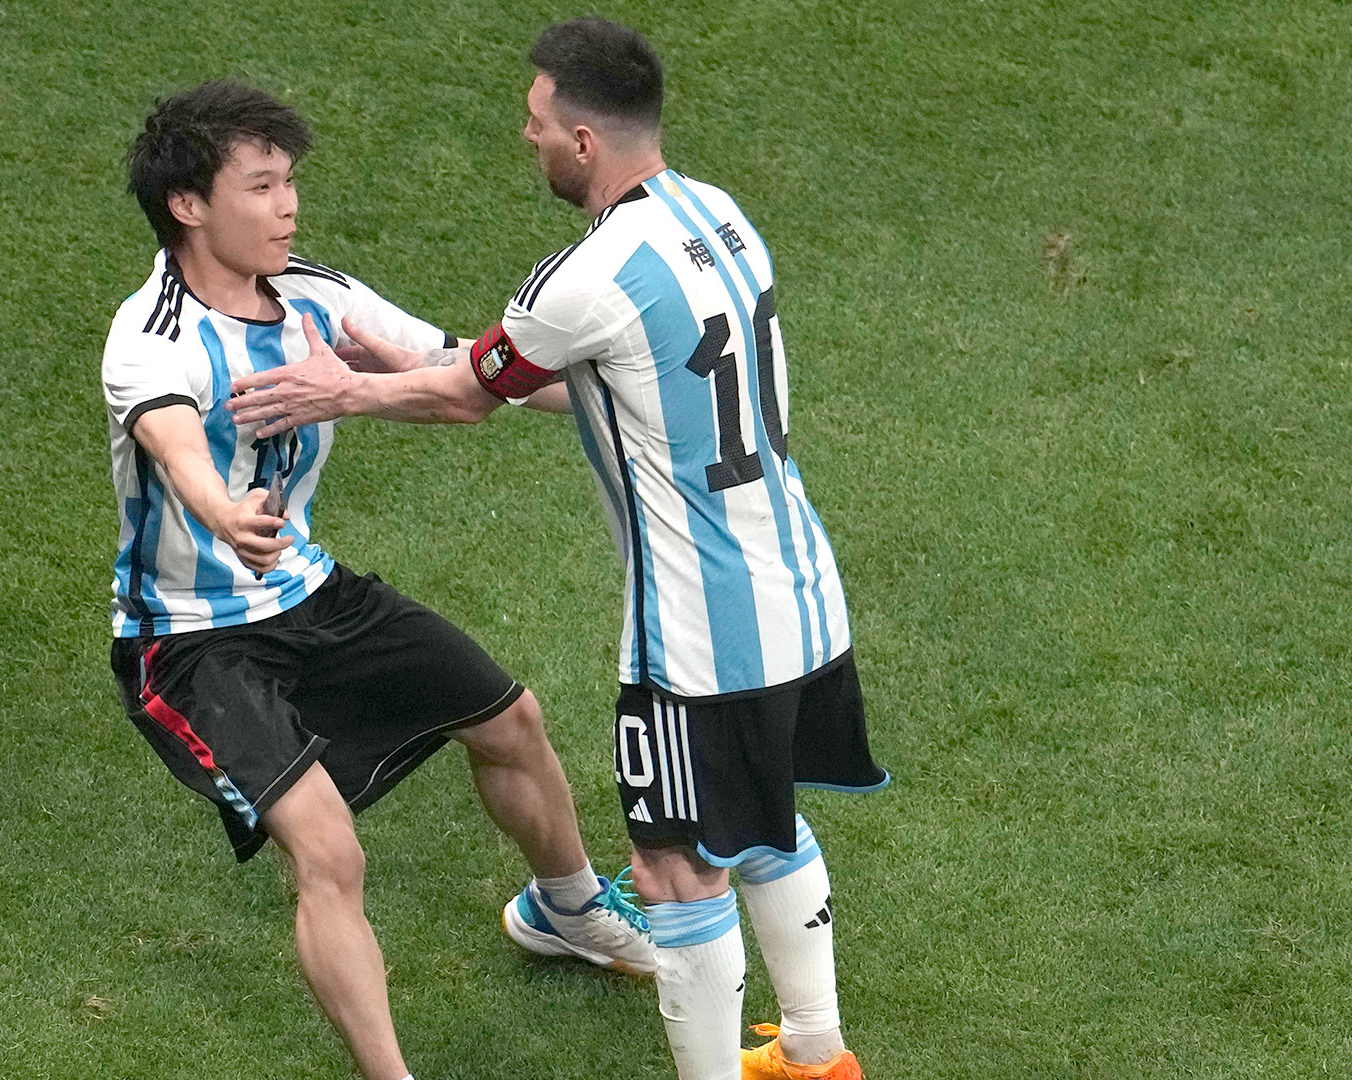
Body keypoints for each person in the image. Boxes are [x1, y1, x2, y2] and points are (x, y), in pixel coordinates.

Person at [226, 19, 889, 1080]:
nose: (526, 138)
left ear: (583, 141)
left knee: (675, 866)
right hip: (801, 590)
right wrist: (408, 356)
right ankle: (818, 1053)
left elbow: (471, 399)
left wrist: (345, 389)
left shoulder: (585, 272)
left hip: (697, 630)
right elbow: (593, 380)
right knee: (765, 818)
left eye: (537, 125)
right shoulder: (718, 216)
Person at [100, 79, 652, 1080]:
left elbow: (458, 368)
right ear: (188, 205)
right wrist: (224, 514)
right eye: (262, 186)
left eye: (290, 183)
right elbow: (176, 445)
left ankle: (567, 913)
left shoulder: (315, 294)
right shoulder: (150, 335)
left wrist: (627, 389)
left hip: (312, 594)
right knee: (329, 851)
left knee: (510, 721)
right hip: (187, 645)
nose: (289, 205)